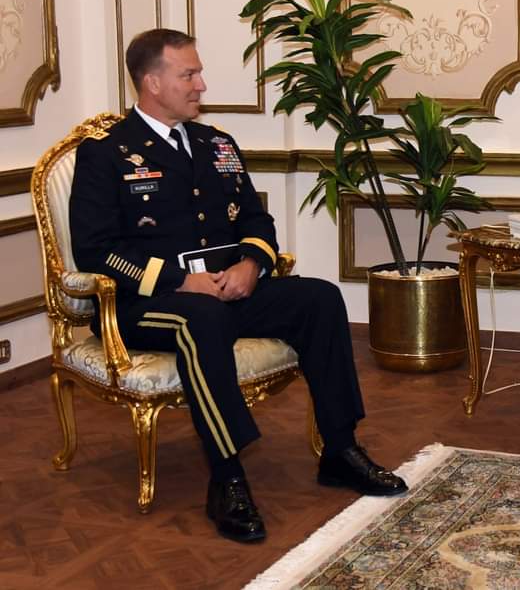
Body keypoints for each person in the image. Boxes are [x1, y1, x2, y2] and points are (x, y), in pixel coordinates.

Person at [69, 28, 408, 544]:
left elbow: (256, 220)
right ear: (152, 82)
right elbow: (95, 251)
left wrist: (252, 264)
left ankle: (340, 449)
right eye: (189, 74)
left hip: (228, 288)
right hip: (146, 303)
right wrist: (181, 280)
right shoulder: (108, 153)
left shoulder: (216, 145)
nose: (201, 85)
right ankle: (227, 479)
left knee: (319, 298)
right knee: (201, 318)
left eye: (199, 73)